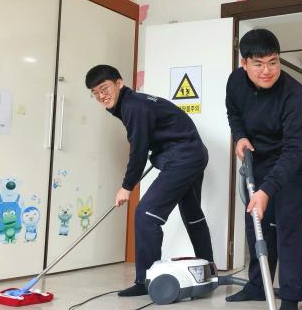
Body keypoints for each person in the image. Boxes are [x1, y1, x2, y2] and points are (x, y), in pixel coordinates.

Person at [85, 65, 213, 297]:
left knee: (146, 215)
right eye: (96, 93)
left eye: (104, 88)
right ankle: (209, 272)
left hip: (183, 156)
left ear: (119, 83)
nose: (102, 96)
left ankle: (146, 282)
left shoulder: (133, 106)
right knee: (192, 215)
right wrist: (160, 155)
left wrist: (126, 187)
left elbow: (139, 149)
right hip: (192, 154)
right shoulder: (132, 103)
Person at [225, 29, 302, 310]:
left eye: (273, 62)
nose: (267, 71)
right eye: (258, 64)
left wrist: (266, 191)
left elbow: (293, 150)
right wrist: (239, 137)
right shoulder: (235, 82)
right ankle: (257, 285)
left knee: (291, 226)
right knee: (258, 224)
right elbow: (233, 113)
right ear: (244, 64)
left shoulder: (295, 95)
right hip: (261, 155)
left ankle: (290, 297)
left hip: (298, 159)